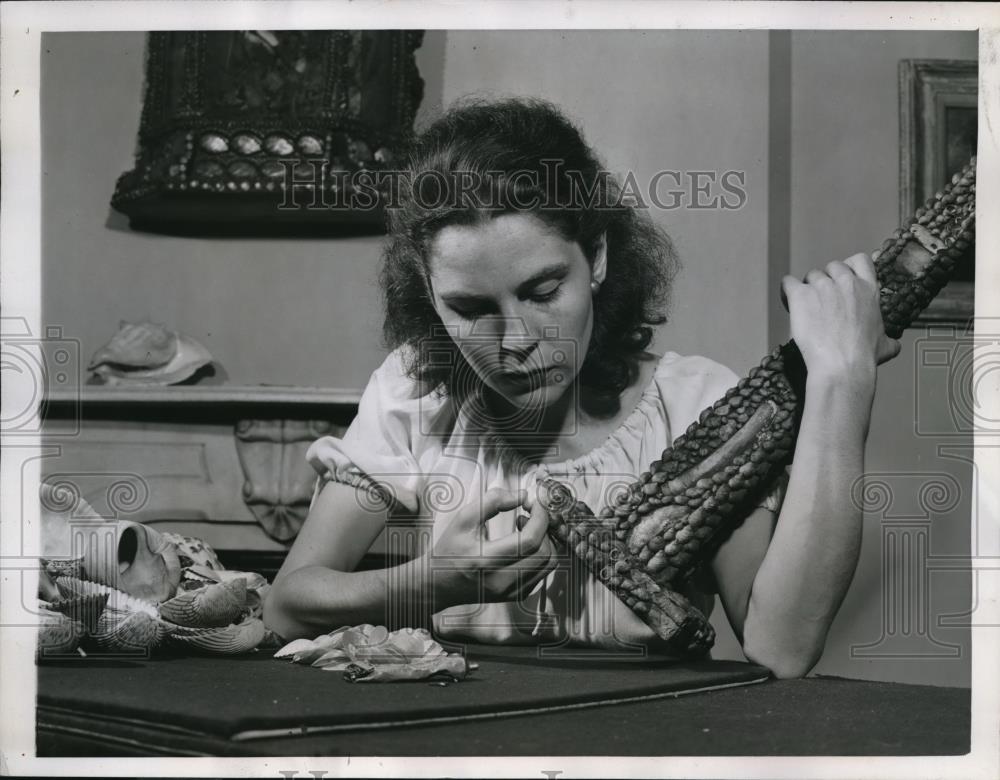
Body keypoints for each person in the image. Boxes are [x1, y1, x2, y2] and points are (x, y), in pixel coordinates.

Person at [263, 97, 900, 678]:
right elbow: (286, 608)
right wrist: (434, 582)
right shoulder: (415, 391)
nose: (514, 340)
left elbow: (782, 649)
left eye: (543, 292)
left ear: (595, 257)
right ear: (429, 295)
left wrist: (843, 383)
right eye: (467, 307)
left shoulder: (696, 404)